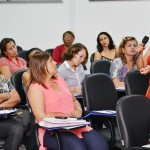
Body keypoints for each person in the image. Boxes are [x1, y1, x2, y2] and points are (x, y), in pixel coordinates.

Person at [27, 52, 109, 150]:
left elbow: (74, 100)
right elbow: (41, 116)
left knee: (101, 146)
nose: (55, 62)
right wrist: (67, 116)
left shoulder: (59, 80)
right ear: (42, 66)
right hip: (52, 130)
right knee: (78, 148)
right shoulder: (35, 88)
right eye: (51, 61)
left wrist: (78, 109)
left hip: (74, 126)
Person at [0, 74, 24, 150]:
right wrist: (6, 95)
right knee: (16, 128)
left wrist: (1, 106)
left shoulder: (2, 78)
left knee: (29, 123)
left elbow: (17, 99)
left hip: (5, 118)